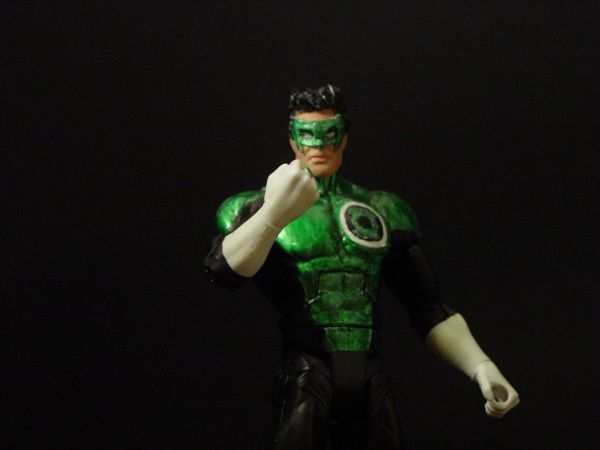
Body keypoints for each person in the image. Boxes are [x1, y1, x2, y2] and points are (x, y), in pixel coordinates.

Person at [204, 85, 519, 450]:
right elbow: (223, 270)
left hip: (369, 368)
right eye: (307, 134)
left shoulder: (383, 209)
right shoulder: (254, 206)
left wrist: (480, 365)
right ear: (292, 138)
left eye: (329, 134)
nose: (318, 145)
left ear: (344, 137)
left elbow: (427, 305)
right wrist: (273, 215)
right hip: (308, 365)